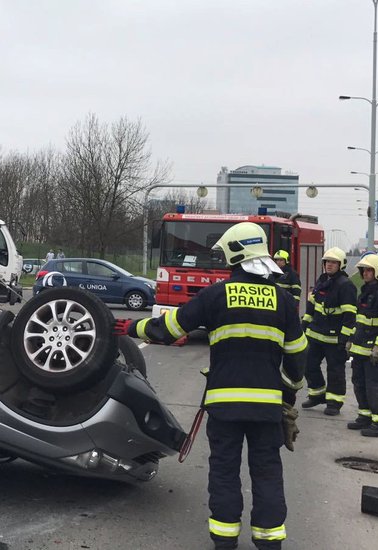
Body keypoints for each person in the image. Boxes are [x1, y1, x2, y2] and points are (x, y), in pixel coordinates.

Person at [115, 222, 306, 550]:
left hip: (225, 405)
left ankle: (225, 539)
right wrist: (287, 396)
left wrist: (129, 327)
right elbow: (298, 358)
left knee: (224, 471)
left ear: (236, 254)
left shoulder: (217, 295)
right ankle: (269, 540)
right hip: (267, 410)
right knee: (267, 471)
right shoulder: (284, 301)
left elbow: (169, 329)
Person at [346, 253, 378, 437]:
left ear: (377, 272)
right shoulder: (365, 292)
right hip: (361, 351)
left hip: (376, 354)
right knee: (360, 385)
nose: (365, 273)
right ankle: (365, 417)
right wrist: (351, 339)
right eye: (363, 270)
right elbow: (360, 322)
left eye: (369, 270)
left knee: (376, 388)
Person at [300, 248, 357, 416]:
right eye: (327, 262)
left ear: (341, 265)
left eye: (333, 262)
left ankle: (334, 402)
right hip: (315, 334)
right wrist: (304, 325)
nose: (329, 265)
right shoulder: (322, 280)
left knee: (335, 371)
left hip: (334, 339)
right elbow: (312, 306)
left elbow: (349, 315)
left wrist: (344, 338)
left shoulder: (346, 286)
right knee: (307, 365)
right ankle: (317, 394)